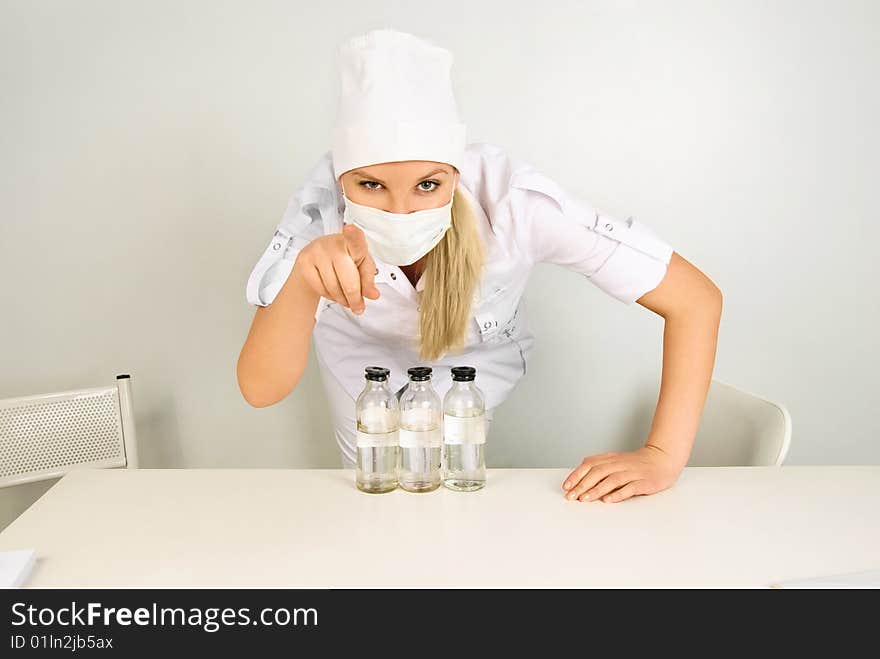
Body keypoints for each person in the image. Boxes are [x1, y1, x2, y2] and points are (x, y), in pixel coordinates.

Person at [237, 28, 722, 503]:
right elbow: (260, 388)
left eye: (428, 184)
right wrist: (303, 279)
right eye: (370, 186)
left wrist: (662, 454)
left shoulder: (515, 205)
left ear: (456, 170)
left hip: (473, 359)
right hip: (362, 362)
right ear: (343, 178)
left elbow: (695, 299)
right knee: (378, 489)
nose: (401, 211)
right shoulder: (319, 209)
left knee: (453, 484)